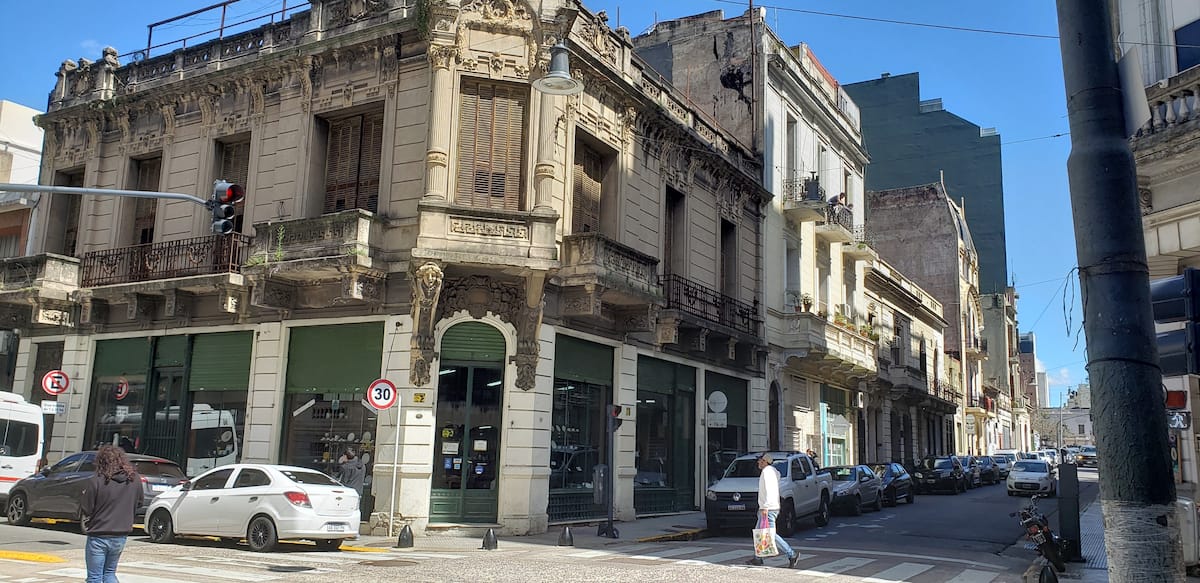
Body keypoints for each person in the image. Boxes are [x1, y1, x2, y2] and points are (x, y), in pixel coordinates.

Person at [80, 445, 144, 583]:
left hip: (99, 533)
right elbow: (139, 503)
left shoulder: (97, 479)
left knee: (95, 577)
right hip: (121, 534)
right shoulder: (134, 479)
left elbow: (86, 507)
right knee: (109, 573)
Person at [747, 453, 801, 568]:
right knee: (760, 532)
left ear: (765, 461)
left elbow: (769, 490)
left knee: (770, 535)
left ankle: (791, 554)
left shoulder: (767, 472)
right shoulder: (773, 472)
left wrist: (765, 507)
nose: (758, 462)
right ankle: (758, 558)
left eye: (760, 460)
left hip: (768, 508)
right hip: (770, 507)